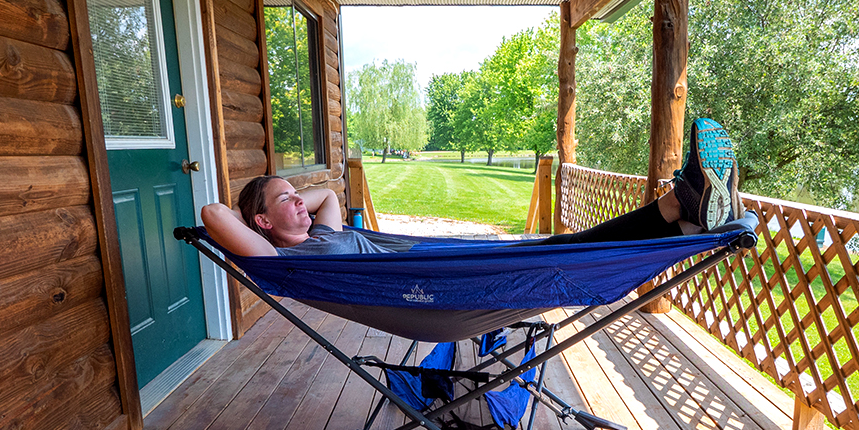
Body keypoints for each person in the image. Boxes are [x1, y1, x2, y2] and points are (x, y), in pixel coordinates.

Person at [202, 119, 743, 257]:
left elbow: (326, 197)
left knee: (558, 249)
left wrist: (286, 195)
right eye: (284, 201)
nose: (302, 198)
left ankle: (682, 211)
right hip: (430, 276)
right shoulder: (280, 259)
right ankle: (681, 207)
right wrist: (266, 220)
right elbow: (211, 210)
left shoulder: (322, 232)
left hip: (437, 259)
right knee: (562, 252)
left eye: (296, 192)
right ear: (263, 225)